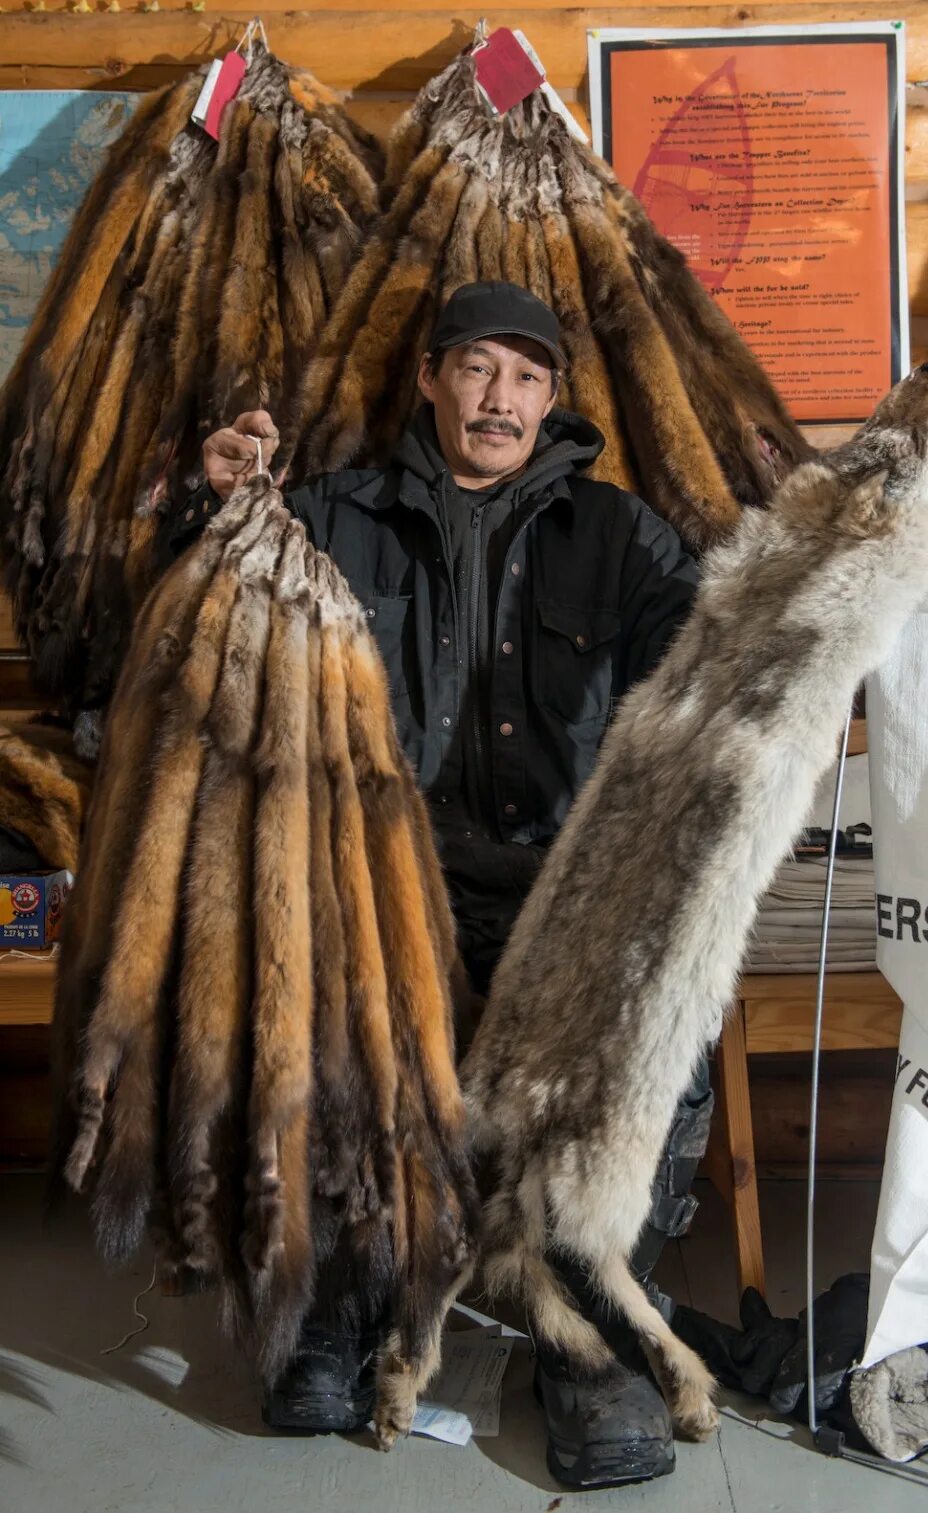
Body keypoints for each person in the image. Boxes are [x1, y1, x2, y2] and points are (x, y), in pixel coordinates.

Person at [167, 281, 714, 1489]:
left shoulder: (621, 536)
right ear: (428, 378)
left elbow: (710, 658)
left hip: (557, 890)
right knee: (311, 1000)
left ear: (554, 399)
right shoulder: (326, 516)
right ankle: (346, 1304)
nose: (498, 399)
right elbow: (202, 613)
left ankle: (589, 1335)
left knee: (650, 1029)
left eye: (525, 377)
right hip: (382, 878)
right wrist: (210, 507)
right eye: (476, 370)